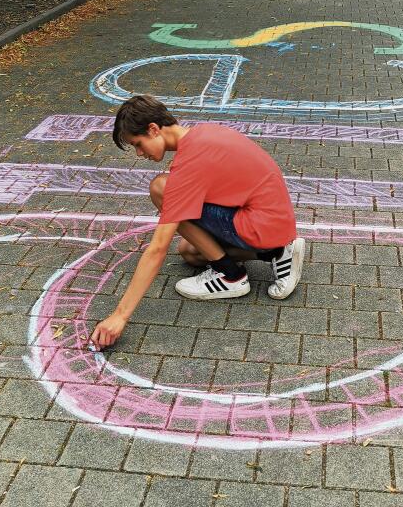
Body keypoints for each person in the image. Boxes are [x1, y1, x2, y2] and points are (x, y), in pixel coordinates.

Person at [90, 95, 305, 349]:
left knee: (162, 188)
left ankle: (232, 277)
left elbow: (158, 249)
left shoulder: (190, 162)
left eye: (138, 144)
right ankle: (277, 253)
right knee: (190, 253)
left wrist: (120, 315)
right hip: (272, 222)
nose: (139, 153)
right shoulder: (202, 133)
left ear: (153, 129)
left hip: (260, 224)